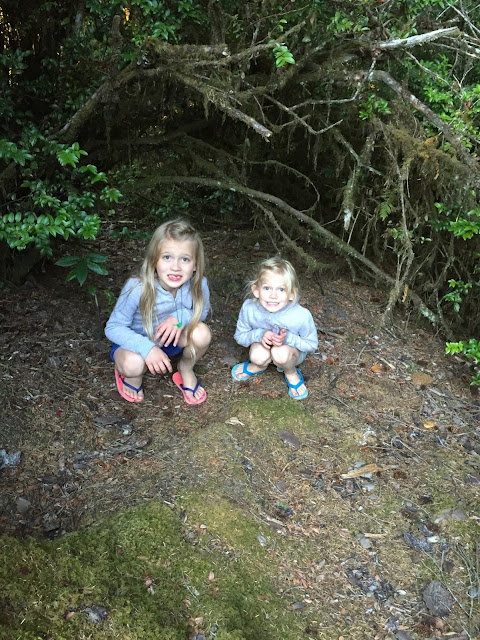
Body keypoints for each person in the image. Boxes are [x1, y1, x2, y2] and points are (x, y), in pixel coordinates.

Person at [105, 218, 211, 405]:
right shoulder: (138, 287)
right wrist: (147, 348)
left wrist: (180, 318)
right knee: (133, 365)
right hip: (135, 346)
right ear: (154, 259)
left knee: (202, 333)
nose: (175, 267)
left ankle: (185, 368)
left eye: (185, 259)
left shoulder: (198, 284)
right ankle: (131, 376)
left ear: (195, 264)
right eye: (167, 257)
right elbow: (113, 327)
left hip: (169, 342)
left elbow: (201, 313)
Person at [232, 257, 318, 400]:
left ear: (292, 294)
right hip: (262, 348)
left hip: (289, 354)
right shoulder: (249, 308)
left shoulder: (301, 315)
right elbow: (240, 336)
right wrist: (260, 335)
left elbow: (312, 344)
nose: (273, 295)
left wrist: (288, 339)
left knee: (280, 353)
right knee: (257, 355)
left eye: (281, 289)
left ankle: (290, 372)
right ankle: (259, 365)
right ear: (256, 290)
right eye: (267, 288)